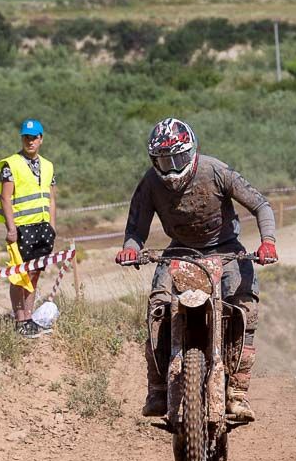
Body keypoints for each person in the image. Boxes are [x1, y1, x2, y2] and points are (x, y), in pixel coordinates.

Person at [115, 118, 277, 422]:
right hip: (179, 250)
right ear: (154, 160)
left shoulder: (215, 171)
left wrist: (267, 242)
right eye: (164, 160)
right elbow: (136, 228)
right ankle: (158, 389)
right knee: (158, 308)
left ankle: (238, 392)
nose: (172, 167)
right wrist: (131, 250)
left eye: (177, 158)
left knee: (245, 306)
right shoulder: (150, 183)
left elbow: (261, 205)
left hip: (226, 248)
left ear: (192, 152)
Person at [0, 119, 57, 339]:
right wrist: (11, 228)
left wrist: (53, 226)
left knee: (35, 274)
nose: (30, 141)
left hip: (42, 228)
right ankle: (20, 321)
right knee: (19, 276)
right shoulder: (12, 165)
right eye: (26, 137)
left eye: (34, 137)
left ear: (41, 139)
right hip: (21, 229)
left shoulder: (48, 166)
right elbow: (5, 198)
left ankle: (29, 318)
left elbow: (51, 199)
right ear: (22, 138)